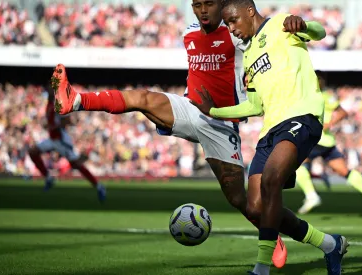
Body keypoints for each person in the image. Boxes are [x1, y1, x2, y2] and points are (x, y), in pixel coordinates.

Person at [50, 0, 287, 268]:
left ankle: (270, 234)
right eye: (197, 5)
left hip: (221, 123)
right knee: (143, 97)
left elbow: (266, 39)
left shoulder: (236, 35)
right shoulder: (188, 32)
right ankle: (76, 100)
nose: (203, 10)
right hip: (189, 109)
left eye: (209, 4)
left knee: (239, 200)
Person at [192, 1, 348, 274]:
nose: (231, 29)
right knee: (255, 207)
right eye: (227, 24)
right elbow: (254, 106)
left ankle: (261, 268)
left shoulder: (281, 24)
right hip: (271, 129)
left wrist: (304, 24)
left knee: (273, 179)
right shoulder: (249, 56)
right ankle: (328, 244)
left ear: (249, 11)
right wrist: (213, 111)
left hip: (302, 117)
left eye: (233, 21)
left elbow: (320, 33)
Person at [297, 84, 362, 216]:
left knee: (297, 163)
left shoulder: (322, 96)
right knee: (343, 170)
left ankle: (311, 196)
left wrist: (329, 124)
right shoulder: (307, 94)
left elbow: (342, 111)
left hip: (316, 139)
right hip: (326, 141)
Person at [28, 86, 106, 202]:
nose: (48, 91)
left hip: (60, 140)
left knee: (76, 165)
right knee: (33, 152)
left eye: (50, 89)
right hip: (52, 139)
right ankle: (49, 178)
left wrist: (59, 124)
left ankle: (99, 186)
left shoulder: (58, 104)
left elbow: (67, 120)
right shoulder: (49, 104)